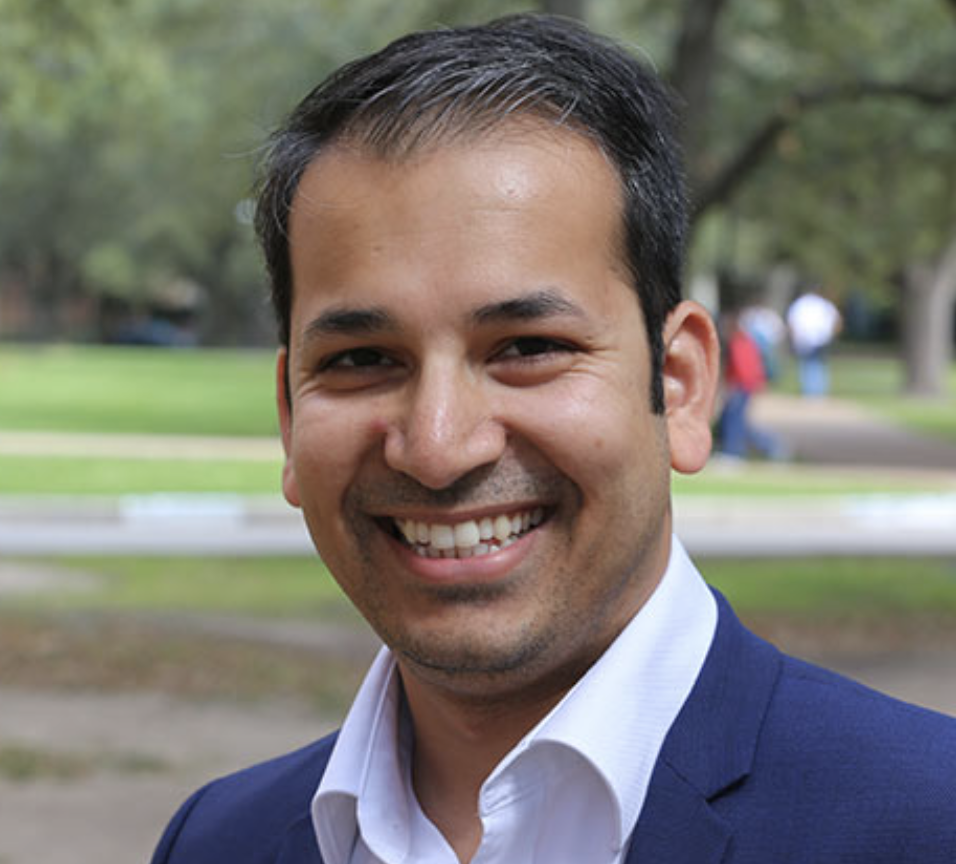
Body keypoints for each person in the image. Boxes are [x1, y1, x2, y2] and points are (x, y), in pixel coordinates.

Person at [151, 14, 956, 864]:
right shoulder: (217, 842)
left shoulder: (928, 822)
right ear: (289, 414)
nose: (437, 446)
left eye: (528, 348)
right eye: (362, 359)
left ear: (681, 385)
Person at [717, 309, 786, 461]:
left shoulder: (739, 343)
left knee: (735, 421)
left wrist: (734, 386)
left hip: (741, 387)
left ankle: (734, 452)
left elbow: (743, 367)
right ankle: (768, 446)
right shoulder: (744, 341)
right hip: (742, 386)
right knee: (736, 420)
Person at [786, 288, 843, 398]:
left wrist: (794, 338)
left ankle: (810, 391)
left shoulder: (800, 304)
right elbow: (837, 320)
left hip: (805, 339)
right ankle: (818, 391)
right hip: (821, 338)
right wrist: (832, 335)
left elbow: (792, 322)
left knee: (808, 365)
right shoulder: (824, 304)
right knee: (818, 364)